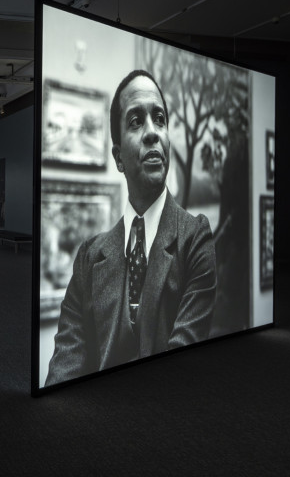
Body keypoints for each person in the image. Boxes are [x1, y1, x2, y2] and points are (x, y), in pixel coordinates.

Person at [45, 70, 216, 387]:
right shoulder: (88, 257)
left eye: (160, 119)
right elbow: (64, 370)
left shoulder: (195, 239)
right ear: (118, 157)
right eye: (136, 121)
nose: (153, 133)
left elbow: (180, 369)